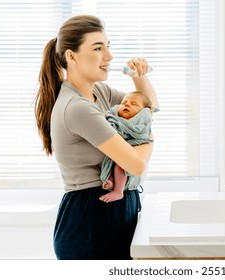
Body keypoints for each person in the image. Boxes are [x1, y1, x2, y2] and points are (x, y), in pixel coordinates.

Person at [34, 15, 159, 260]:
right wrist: (147, 139)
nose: (109, 57)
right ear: (71, 56)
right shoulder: (77, 107)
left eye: (108, 46)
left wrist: (139, 77)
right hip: (92, 217)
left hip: (110, 213)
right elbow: (136, 164)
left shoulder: (98, 92)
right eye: (98, 48)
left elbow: (148, 109)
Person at [99, 91, 153, 203]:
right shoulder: (113, 119)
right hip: (117, 150)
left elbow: (142, 135)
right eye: (124, 102)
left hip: (131, 151)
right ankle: (111, 181)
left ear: (143, 112)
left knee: (121, 165)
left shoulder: (141, 125)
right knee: (111, 163)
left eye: (134, 104)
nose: (127, 104)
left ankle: (118, 191)